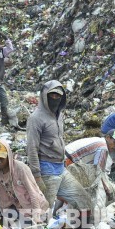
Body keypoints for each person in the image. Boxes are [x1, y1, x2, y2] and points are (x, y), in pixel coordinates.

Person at [26, 80, 91, 212]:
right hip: (46, 170)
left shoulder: (59, 116)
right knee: (44, 211)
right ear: (44, 95)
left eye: (58, 96)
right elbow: (31, 148)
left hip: (60, 167)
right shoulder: (36, 118)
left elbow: (59, 139)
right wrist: (37, 176)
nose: (55, 98)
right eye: (52, 95)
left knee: (83, 200)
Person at [0, 140, 49, 225]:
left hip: (35, 207)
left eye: (2, 158)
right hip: (17, 208)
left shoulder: (20, 168)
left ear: (8, 155)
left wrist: (36, 216)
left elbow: (33, 192)